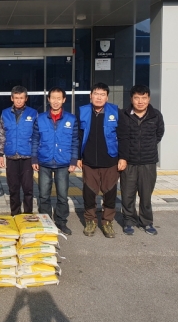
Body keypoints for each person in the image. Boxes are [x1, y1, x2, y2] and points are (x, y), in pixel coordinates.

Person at [78, 82, 124, 239]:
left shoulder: (115, 112)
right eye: (96, 94)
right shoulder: (83, 111)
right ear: (90, 96)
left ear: (107, 97)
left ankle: (107, 222)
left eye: (102, 94)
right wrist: (77, 157)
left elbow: (123, 136)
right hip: (89, 161)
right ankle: (90, 220)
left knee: (110, 192)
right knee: (89, 192)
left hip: (110, 160)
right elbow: (78, 136)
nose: (99, 97)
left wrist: (123, 157)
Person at [117, 85, 165, 235]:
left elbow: (159, 134)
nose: (140, 101)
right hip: (129, 162)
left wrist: (147, 147)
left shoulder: (156, 115)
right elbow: (120, 136)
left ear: (149, 99)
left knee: (146, 195)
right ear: (131, 99)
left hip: (148, 162)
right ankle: (129, 220)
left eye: (144, 98)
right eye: (137, 98)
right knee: (127, 194)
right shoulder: (123, 115)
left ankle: (147, 222)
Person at [31, 87, 79, 236]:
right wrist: (34, 158)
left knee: (62, 196)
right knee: (44, 195)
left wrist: (73, 160)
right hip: (44, 161)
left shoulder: (71, 119)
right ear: (48, 99)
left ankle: (61, 221)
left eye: (59, 98)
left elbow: (75, 141)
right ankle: (46, 222)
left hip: (63, 162)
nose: (56, 101)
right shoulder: (40, 118)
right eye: (53, 98)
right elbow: (35, 139)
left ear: (64, 100)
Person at [0, 86, 38, 216]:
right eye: (16, 98)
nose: (19, 100)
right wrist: (0, 154)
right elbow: (1, 135)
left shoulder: (33, 113)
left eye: (21, 98)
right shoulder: (5, 113)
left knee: (28, 188)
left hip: (27, 156)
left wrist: (36, 156)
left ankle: (28, 214)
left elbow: (37, 135)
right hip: (11, 156)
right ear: (12, 98)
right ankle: (15, 213)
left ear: (26, 98)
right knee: (13, 188)